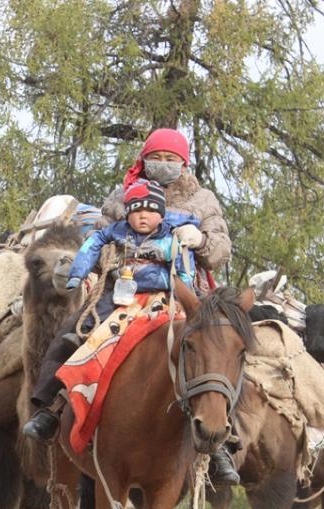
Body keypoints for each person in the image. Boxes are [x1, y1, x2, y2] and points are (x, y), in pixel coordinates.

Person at [21, 181, 202, 436]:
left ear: (161, 214)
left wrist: (198, 242)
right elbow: (91, 246)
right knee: (81, 339)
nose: (142, 215)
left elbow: (187, 271)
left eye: (150, 210)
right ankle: (51, 409)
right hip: (121, 299)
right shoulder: (115, 231)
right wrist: (77, 274)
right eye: (136, 210)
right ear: (127, 212)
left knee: (208, 347)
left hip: (165, 300)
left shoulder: (177, 236)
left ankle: (222, 438)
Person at [106, 128, 231, 295]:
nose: (163, 163)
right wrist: (107, 253)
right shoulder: (122, 196)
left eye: (170, 159)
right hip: (123, 285)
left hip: (184, 290)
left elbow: (221, 251)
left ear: (183, 163)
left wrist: (201, 240)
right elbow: (98, 234)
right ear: (145, 160)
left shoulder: (202, 199)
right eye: (156, 158)